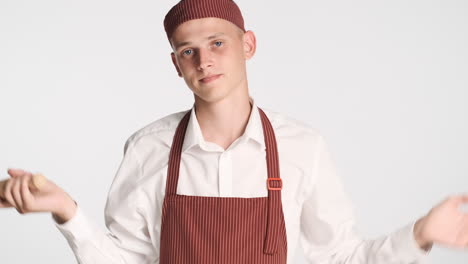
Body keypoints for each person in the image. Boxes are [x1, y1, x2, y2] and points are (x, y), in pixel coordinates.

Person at [1, 0, 467, 263]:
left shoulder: (301, 147)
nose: (204, 61)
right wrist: (66, 211)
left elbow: (343, 257)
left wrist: (421, 234)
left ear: (248, 45)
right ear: (175, 63)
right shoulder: (149, 148)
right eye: (188, 51)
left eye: (218, 44)